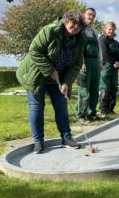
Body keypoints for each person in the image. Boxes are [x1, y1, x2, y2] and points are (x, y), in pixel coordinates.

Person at [16, 10, 86, 153]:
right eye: (74, 24)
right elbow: (34, 51)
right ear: (66, 21)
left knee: (61, 106)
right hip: (37, 75)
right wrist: (49, 70)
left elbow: (77, 63)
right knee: (36, 106)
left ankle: (66, 138)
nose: (76, 28)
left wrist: (66, 82)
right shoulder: (50, 31)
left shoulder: (80, 39)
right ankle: (38, 142)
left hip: (59, 79)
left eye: (80, 26)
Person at [76, 8, 101, 123]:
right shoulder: (79, 31)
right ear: (83, 15)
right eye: (89, 15)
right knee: (84, 91)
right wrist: (81, 62)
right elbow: (78, 48)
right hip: (84, 63)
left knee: (95, 90)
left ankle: (91, 113)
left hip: (95, 63)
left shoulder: (95, 33)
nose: (91, 17)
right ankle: (81, 114)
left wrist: (100, 62)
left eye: (93, 16)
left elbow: (99, 49)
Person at [99, 22, 119, 118]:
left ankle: (111, 109)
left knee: (113, 88)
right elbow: (104, 54)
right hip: (106, 67)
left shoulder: (116, 43)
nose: (111, 31)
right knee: (105, 88)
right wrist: (114, 62)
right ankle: (103, 110)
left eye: (113, 29)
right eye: (109, 29)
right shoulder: (102, 40)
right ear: (105, 29)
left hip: (115, 68)